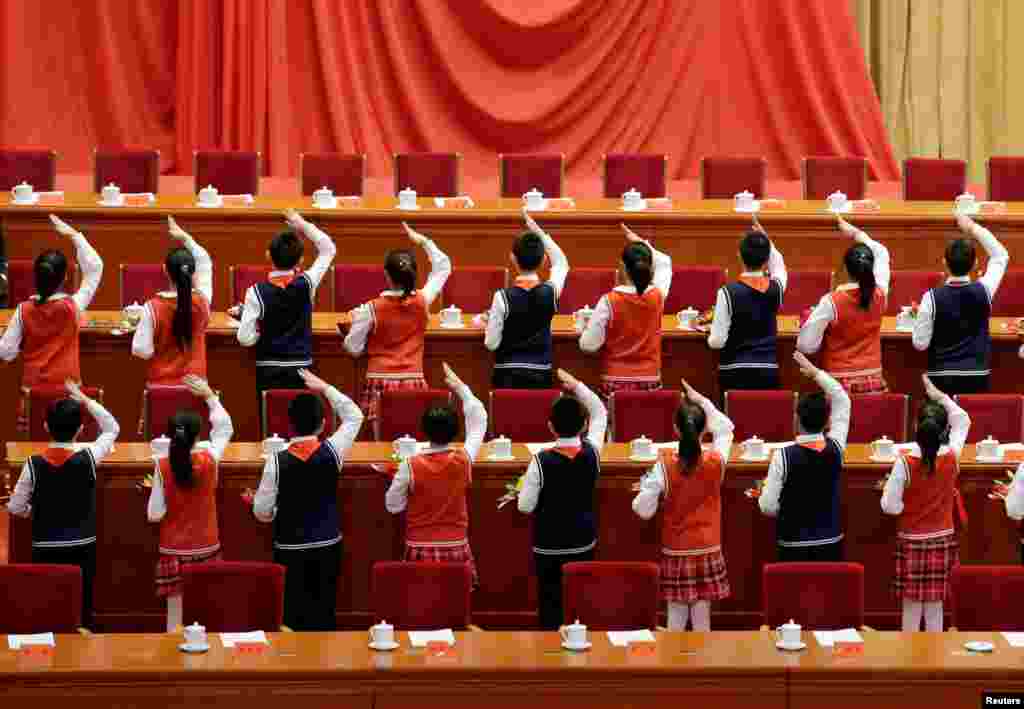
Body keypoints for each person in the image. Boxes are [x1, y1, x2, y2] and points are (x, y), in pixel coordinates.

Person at [250, 369, 363, 631]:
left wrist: (277, 510)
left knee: (291, 617)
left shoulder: (275, 462)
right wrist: (325, 387)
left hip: (289, 547)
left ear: (289, 424)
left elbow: (262, 511)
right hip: (327, 544)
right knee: (324, 613)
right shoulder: (333, 450)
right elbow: (354, 415)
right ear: (323, 424)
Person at [6, 381, 120, 629]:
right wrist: (85, 400)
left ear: (45, 426)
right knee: (82, 604)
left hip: (44, 545)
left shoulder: (32, 464)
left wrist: (34, 512)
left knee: (47, 603)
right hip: (83, 545)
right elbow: (112, 427)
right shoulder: (89, 456)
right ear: (80, 429)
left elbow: (15, 508)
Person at [631, 379, 734, 631]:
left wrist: (645, 490)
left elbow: (643, 510)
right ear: (704, 430)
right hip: (708, 545)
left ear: (676, 430)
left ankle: (673, 667)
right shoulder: (716, 461)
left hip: (677, 547)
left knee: (675, 618)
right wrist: (702, 401)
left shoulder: (663, 465)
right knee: (702, 620)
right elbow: (726, 428)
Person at [518, 368, 607, 630]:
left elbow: (525, 506)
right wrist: (577, 384)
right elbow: (601, 411)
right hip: (582, 541)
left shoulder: (540, 461)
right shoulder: (594, 452)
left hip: (549, 546)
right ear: (584, 425)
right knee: (579, 602)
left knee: (550, 606)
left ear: (550, 427)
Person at [342, 223, 451, 433]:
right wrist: (424, 241)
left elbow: (353, 348)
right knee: (413, 443)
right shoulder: (423, 300)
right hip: (414, 380)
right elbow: (443, 266)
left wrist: (357, 328)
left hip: (379, 381)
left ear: (386, 274)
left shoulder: (370, 309)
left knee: (383, 446)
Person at [385, 363, 487, 586]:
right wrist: (462, 389)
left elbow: (393, 506)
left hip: (418, 546)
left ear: (424, 429)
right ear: (455, 431)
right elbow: (479, 419)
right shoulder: (464, 460)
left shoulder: (409, 465)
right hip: (456, 544)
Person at [881, 374, 969, 632]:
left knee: (911, 606)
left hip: (911, 538)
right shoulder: (953, 456)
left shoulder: (904, 462)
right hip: (942, 536)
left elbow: (890, 506)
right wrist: (939, 395)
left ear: (915, 427)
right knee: (935, 607)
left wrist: (906, 503)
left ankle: (909, 662)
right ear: (944, 430)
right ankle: (936, 661)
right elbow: (963, 420)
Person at [0, 215, 103, 433]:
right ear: (66, 277)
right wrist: (75, 236)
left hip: (32, 395)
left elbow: (6, 352)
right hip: (69, 395)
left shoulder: (23, 310)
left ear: (35, 277)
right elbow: (95, 268)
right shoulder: (73, 307)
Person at [146, 375, 234, 632]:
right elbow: (225, 428)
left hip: (174, 549)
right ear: (198, 435)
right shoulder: (210, 459)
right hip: (207, 545)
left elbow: (154, 514)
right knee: (208, 611)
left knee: (175, 621)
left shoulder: (162, 466)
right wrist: (210, 397)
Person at [758, 352, 850, 562]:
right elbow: (842, 399)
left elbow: (767, 507)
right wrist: (816, 373)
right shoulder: (836, 447)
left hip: (792, 545)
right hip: (831, 543)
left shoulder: (782, 456)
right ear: (827, 422)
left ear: (796, 420)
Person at [237, 209, 337, 396]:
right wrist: (302, 224)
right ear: (300, 260)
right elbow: (328, 248)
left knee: (270, 421)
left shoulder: (255, 292)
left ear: (268, 255)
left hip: (268, 369)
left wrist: (259, 329)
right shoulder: (307, 283)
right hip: (302, 369)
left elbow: (245, 338)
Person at [912, 214, 1008, 395]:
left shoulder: (930, 298)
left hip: (940, 379)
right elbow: (1000, 255)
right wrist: (972, 227)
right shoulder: (984, 290)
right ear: (975, 265)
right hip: (977, 377)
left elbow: (920, 344)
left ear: (944, 264)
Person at [797, 216, 891, 393]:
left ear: (846, 269)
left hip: (838, 384)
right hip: (874, 381)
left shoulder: (831, 301)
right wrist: (856, 233)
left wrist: (808, 321)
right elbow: (881, 252)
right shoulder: (880, 294)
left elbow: (806, 346)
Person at [579, 224, 672, 399]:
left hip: (614, 381)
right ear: (649, 267)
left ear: (622, 267)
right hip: (650, 378)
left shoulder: (608, 301)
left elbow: (588, 345)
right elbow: (665, 262)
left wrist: (584, 328)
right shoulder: (658, 295)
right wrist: (640, 242)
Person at [485, 210, 569, 389]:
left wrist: (489, 321)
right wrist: (538, 232)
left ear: (512, 258)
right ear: (544, 260)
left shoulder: (501, 297)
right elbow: (561, 262)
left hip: (506, 375)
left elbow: (491, 344)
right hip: (541, 374)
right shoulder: (550, 292)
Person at [707, 216, 787, 395]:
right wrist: (766, 240)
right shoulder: (776, 289)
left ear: (739, 256)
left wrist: (708, 332)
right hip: (768, 371)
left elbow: (717, 342)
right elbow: (779, 264)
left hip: (733, 372)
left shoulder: (727, 292)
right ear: (766, 258)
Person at [131, 217, 212, 385]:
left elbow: (142, 351)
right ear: (193, 271)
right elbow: (205, 261)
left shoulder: (152, 307)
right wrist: (186, 238)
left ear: (165, 271)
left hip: (161, 386)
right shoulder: (203, 302)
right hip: (197, 386)